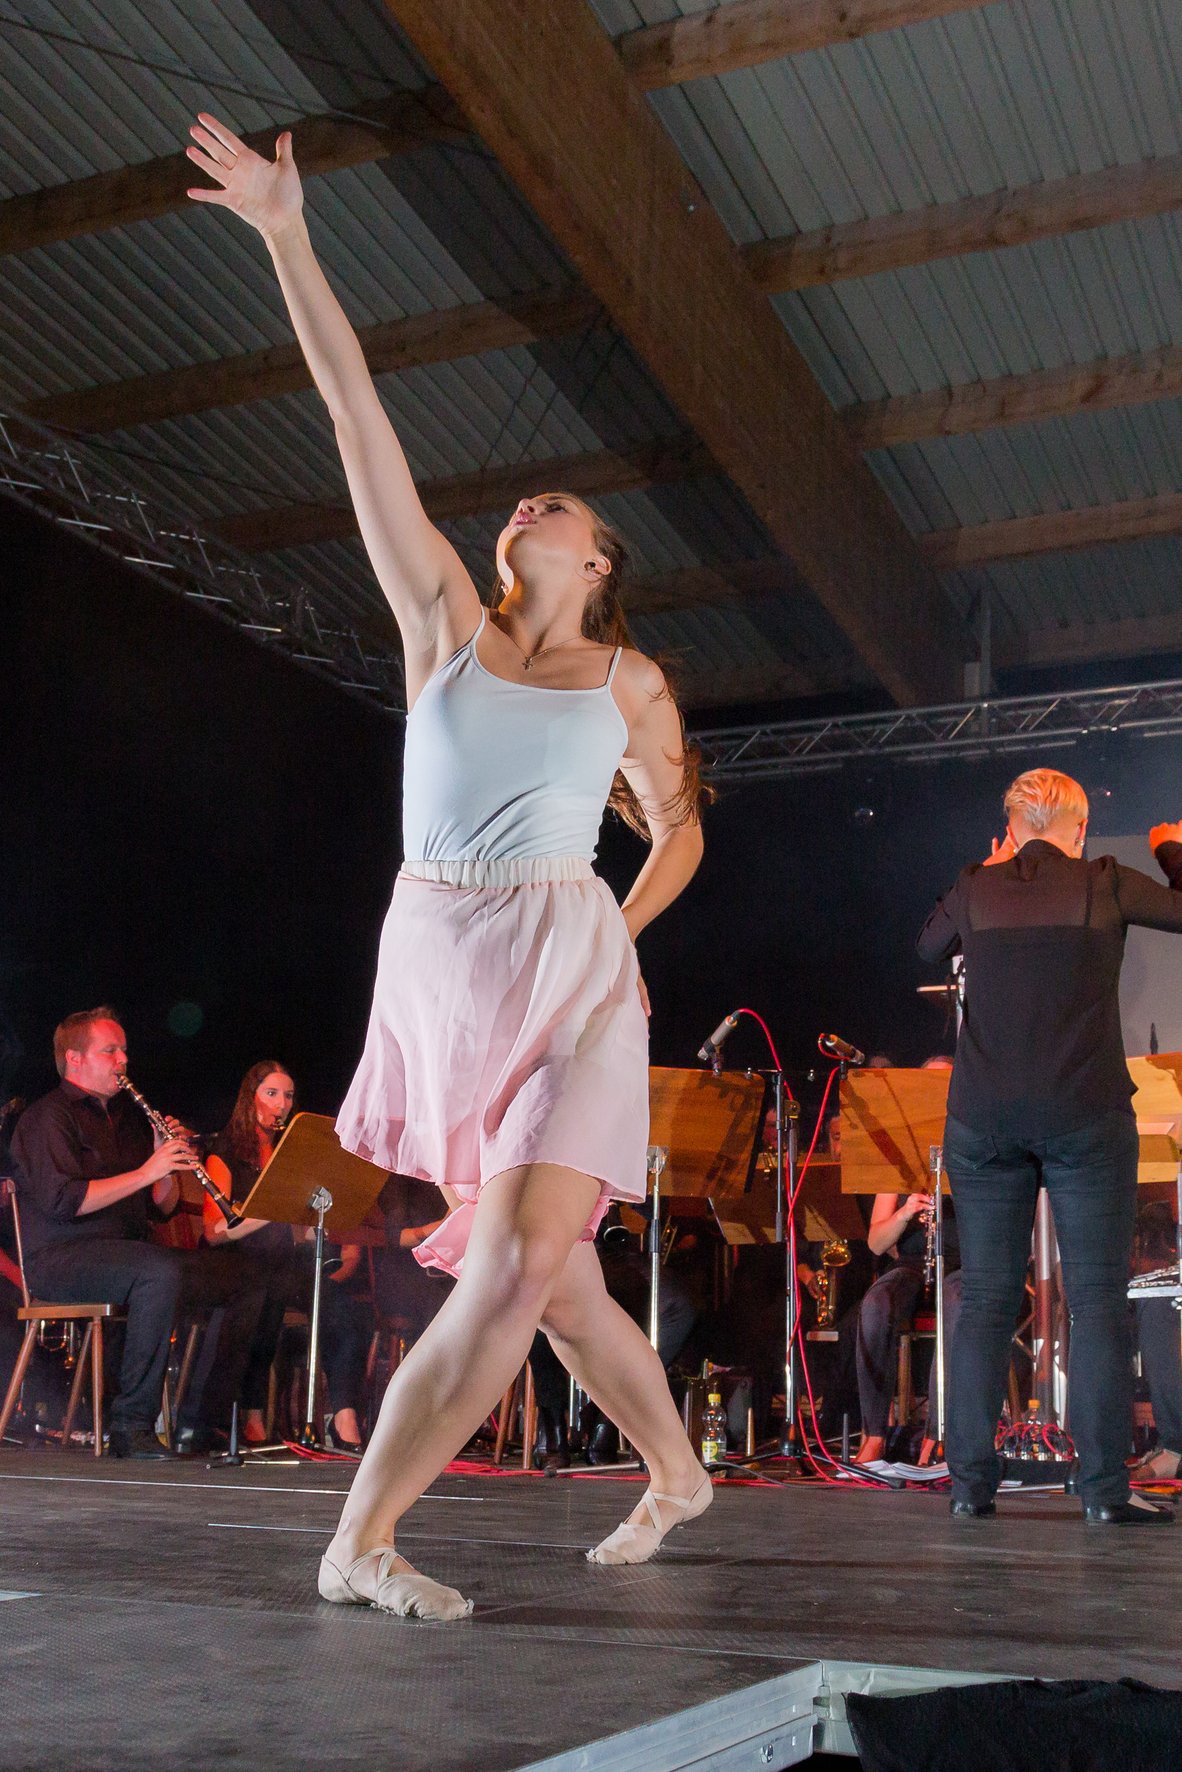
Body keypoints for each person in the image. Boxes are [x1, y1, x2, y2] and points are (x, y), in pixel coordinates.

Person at [186, 113, 711, 1619]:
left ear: (597, 562)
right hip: (445, 960)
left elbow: (677, 828)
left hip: (572, 970)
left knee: (515, 1266)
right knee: (559, 1283)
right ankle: (678, 1471)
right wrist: (288, 233)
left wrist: (617, 931)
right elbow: (357, 417)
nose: (528, 503)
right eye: (521, 502)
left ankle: (359, 1540)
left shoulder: (630, 685)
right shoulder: (441, 624)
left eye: (563, 507)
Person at [918, 768, 1182, 1524]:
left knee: (987, 1300)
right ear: (1080, 828)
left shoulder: (976, 885)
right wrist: (1172, 852)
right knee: (1096, 1302)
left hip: (984, 1120)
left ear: (1010, 830)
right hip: (1083, 1116)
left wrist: (990, 866)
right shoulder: (1106, 881)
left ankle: (970, 1488)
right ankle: (1102, 1493)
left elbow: (927, 944)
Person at [9, 1008, 264, 1457]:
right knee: (157, 1272)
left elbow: (162, 1208)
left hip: (129, 1255)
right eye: (110, 1050)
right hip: (61, 1258)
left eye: (123, 1050)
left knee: (244, 1277)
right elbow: (65, 1201)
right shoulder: (46, 1118)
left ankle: (196, 1421)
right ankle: (131, 1424)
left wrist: (164, 1159)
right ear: (74, 1058)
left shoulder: (128, 1120)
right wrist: (148, 1171)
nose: (123, 1059)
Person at [203, 1062, 370, 1450]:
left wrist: (316, 1222)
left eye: (288, 1096)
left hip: (285, 1262)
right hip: (240, 1264)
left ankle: (343, 1418)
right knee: (264, 1297)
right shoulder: (226, 1152)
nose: (281, 1105)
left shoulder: (289, 1154)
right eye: (271, 1094)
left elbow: (297, 1229)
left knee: (345, 1310)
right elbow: (213, 1231)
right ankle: (251, 1418)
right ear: (250, 1099)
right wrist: (272, 1207)